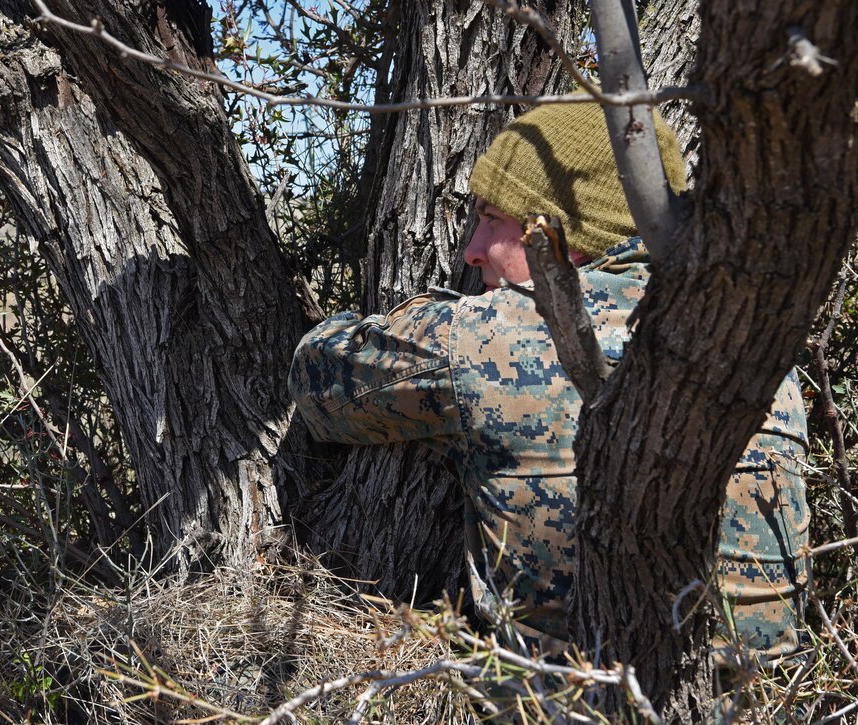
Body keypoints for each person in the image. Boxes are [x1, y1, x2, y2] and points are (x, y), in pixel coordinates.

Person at [288, 103, 809, 660]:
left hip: (580, 703)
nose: (472, 250)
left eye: (492, 220)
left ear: (561, 236)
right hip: (770, 700)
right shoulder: (755, 346)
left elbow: (318, 376)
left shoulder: (491, 337)